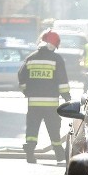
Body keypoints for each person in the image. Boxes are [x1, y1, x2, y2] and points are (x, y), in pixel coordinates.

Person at [17, 29, 69, 164]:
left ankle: (30, 152)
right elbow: (62, 80)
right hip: (51, 104)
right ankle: (59, 154)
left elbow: (21, 77)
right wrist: (67, 97)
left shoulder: (31, 58)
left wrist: (26, 91)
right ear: (53, 45)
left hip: (33, 103)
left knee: (32, 127)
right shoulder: (56, 59)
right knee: (53, 128)